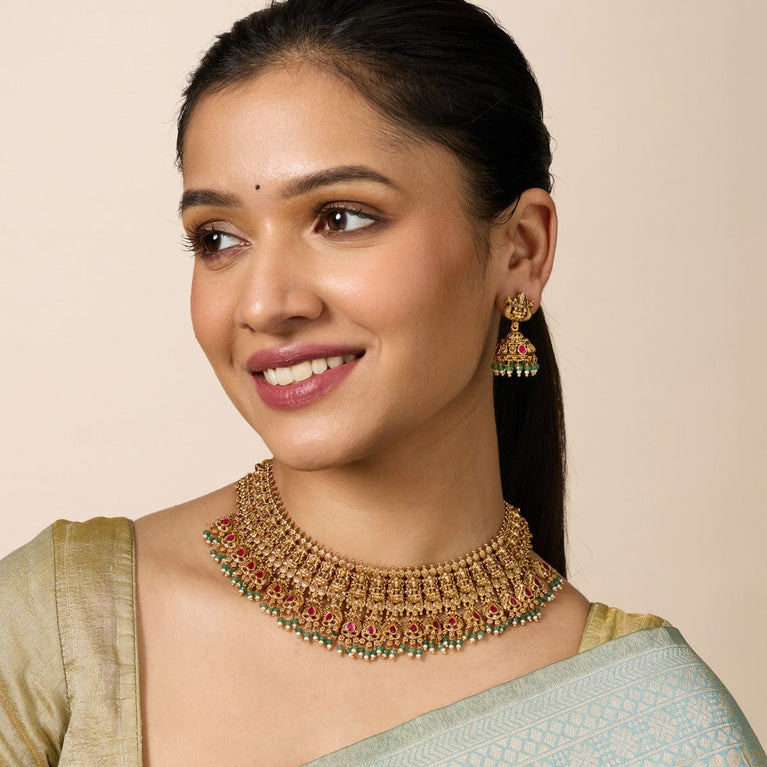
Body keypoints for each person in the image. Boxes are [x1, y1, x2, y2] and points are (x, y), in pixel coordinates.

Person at [1, 0, 764, 765]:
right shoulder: (60, 630)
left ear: (521, 250)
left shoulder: (652, 726)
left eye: (341, 218)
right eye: (218, 238)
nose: (263, 304)